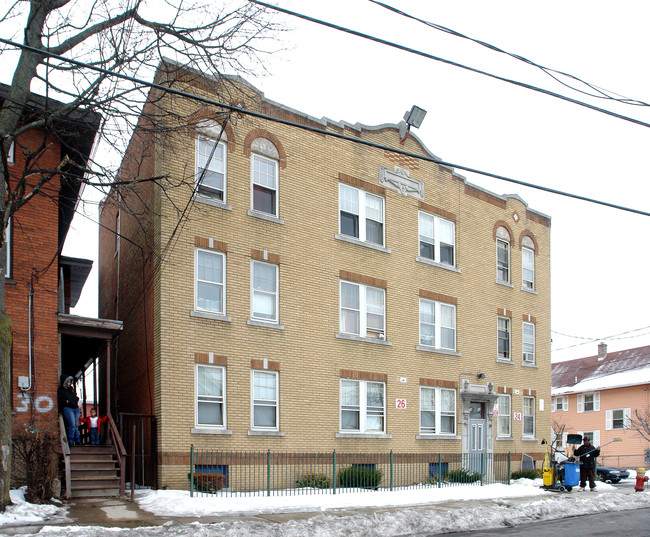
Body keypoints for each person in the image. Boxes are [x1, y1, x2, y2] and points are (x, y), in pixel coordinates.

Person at [58, 375, 80, 446]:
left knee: (76, 425)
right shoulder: (61, 390)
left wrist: (70, 401)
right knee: (72, 425)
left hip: (75, 408)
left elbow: (76, 398)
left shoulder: (72, 390)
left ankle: (77, 440)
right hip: (68, 408)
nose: (69, 383)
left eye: (70, 382)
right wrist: (68, 401)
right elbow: (61, 400)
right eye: (68, 382)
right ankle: (70, 440)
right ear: (64, 382)